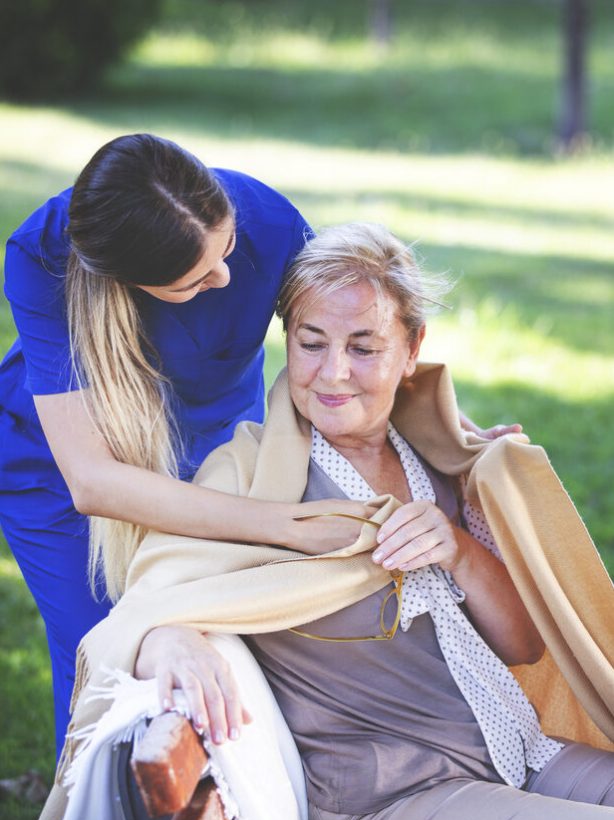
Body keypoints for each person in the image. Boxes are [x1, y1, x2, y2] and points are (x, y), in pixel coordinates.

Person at [37, 223, 614, 820]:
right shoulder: (251, 478)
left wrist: (462, 552)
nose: (334, 373)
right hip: (396, 797)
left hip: (524, 753)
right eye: (312, 344)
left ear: (412, 348)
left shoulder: (442, 460)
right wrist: (164, 639)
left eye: (364, 348)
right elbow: (149, 601)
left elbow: (524, 648)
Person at [0, 134, 519, 757]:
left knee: (238, 635)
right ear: (129, 282)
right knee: (107, 654)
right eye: (195, 281)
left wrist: (454, 435)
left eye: (226, 251)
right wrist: (281, 527)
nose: (225, 275)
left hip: (216, 448)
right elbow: (93, 481)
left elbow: (354, 334)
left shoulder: (265, 221)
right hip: (61, 470)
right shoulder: (43, 257)